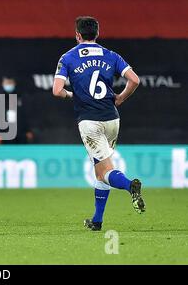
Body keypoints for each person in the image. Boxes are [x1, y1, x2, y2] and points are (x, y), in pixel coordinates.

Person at [52, 16, 146, 231]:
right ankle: (97, 220)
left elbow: (57, 91)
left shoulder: (68, 57)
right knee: (100, 170)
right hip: (112, 118)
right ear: (97, 34)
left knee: (105, 171)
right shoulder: (111, 55)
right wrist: (120, 98)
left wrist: (71, 94)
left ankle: (130, 185)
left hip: (89, 121)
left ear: (77, 35)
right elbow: (135, 80)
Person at [0, 76, 35, 144]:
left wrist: (28, 130)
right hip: (4, 135)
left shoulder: (21, 96)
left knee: (22, 152)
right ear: (2, 84)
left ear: (14, 83)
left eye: (11, 83)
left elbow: (25, 115)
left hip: (20, 134)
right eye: (7, 83)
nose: (9, 85)